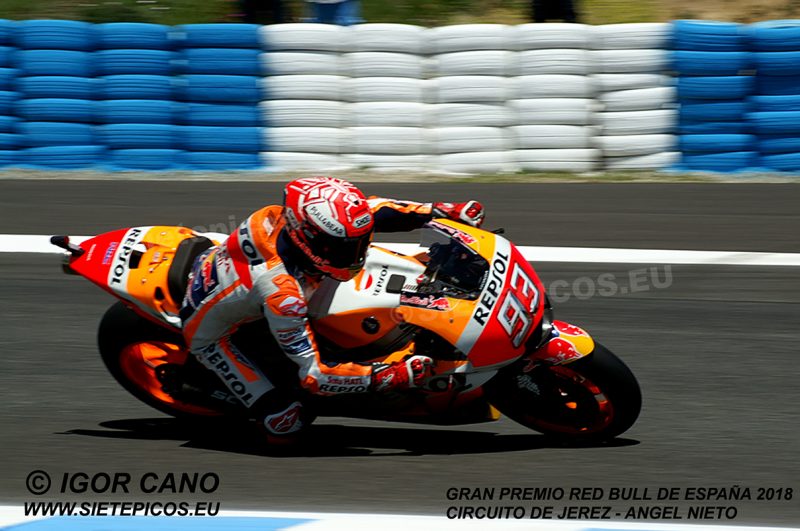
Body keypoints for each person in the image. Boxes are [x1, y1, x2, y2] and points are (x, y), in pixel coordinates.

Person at [179, 177, 485, 443]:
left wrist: (442, 211)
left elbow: (372, 209)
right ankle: (263, 411)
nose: (355, 255)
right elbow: (315, 375)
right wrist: (391, 376)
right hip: (211, 334)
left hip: (238, 275)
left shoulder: (300, 222)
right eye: (342, 249)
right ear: (306, 238)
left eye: (359, 244)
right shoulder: (283, 294)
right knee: (285, 422)